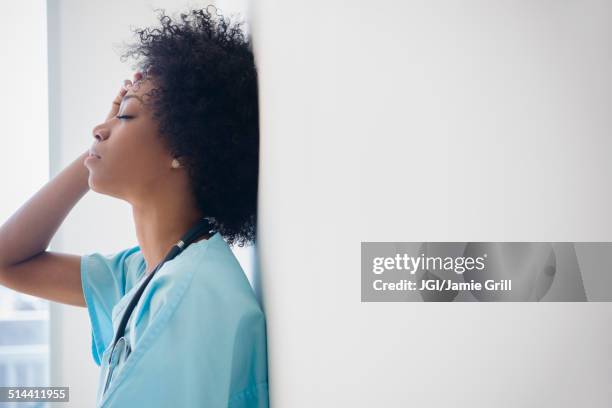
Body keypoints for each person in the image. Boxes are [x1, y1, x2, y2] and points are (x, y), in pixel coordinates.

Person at [0, 5, 268, 407]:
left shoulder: (190, 296)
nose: (101, 126)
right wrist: (97, 147)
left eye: (126, 115)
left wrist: (99, 148)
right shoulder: (145, 273)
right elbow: (7, 260)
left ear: (183, 149)